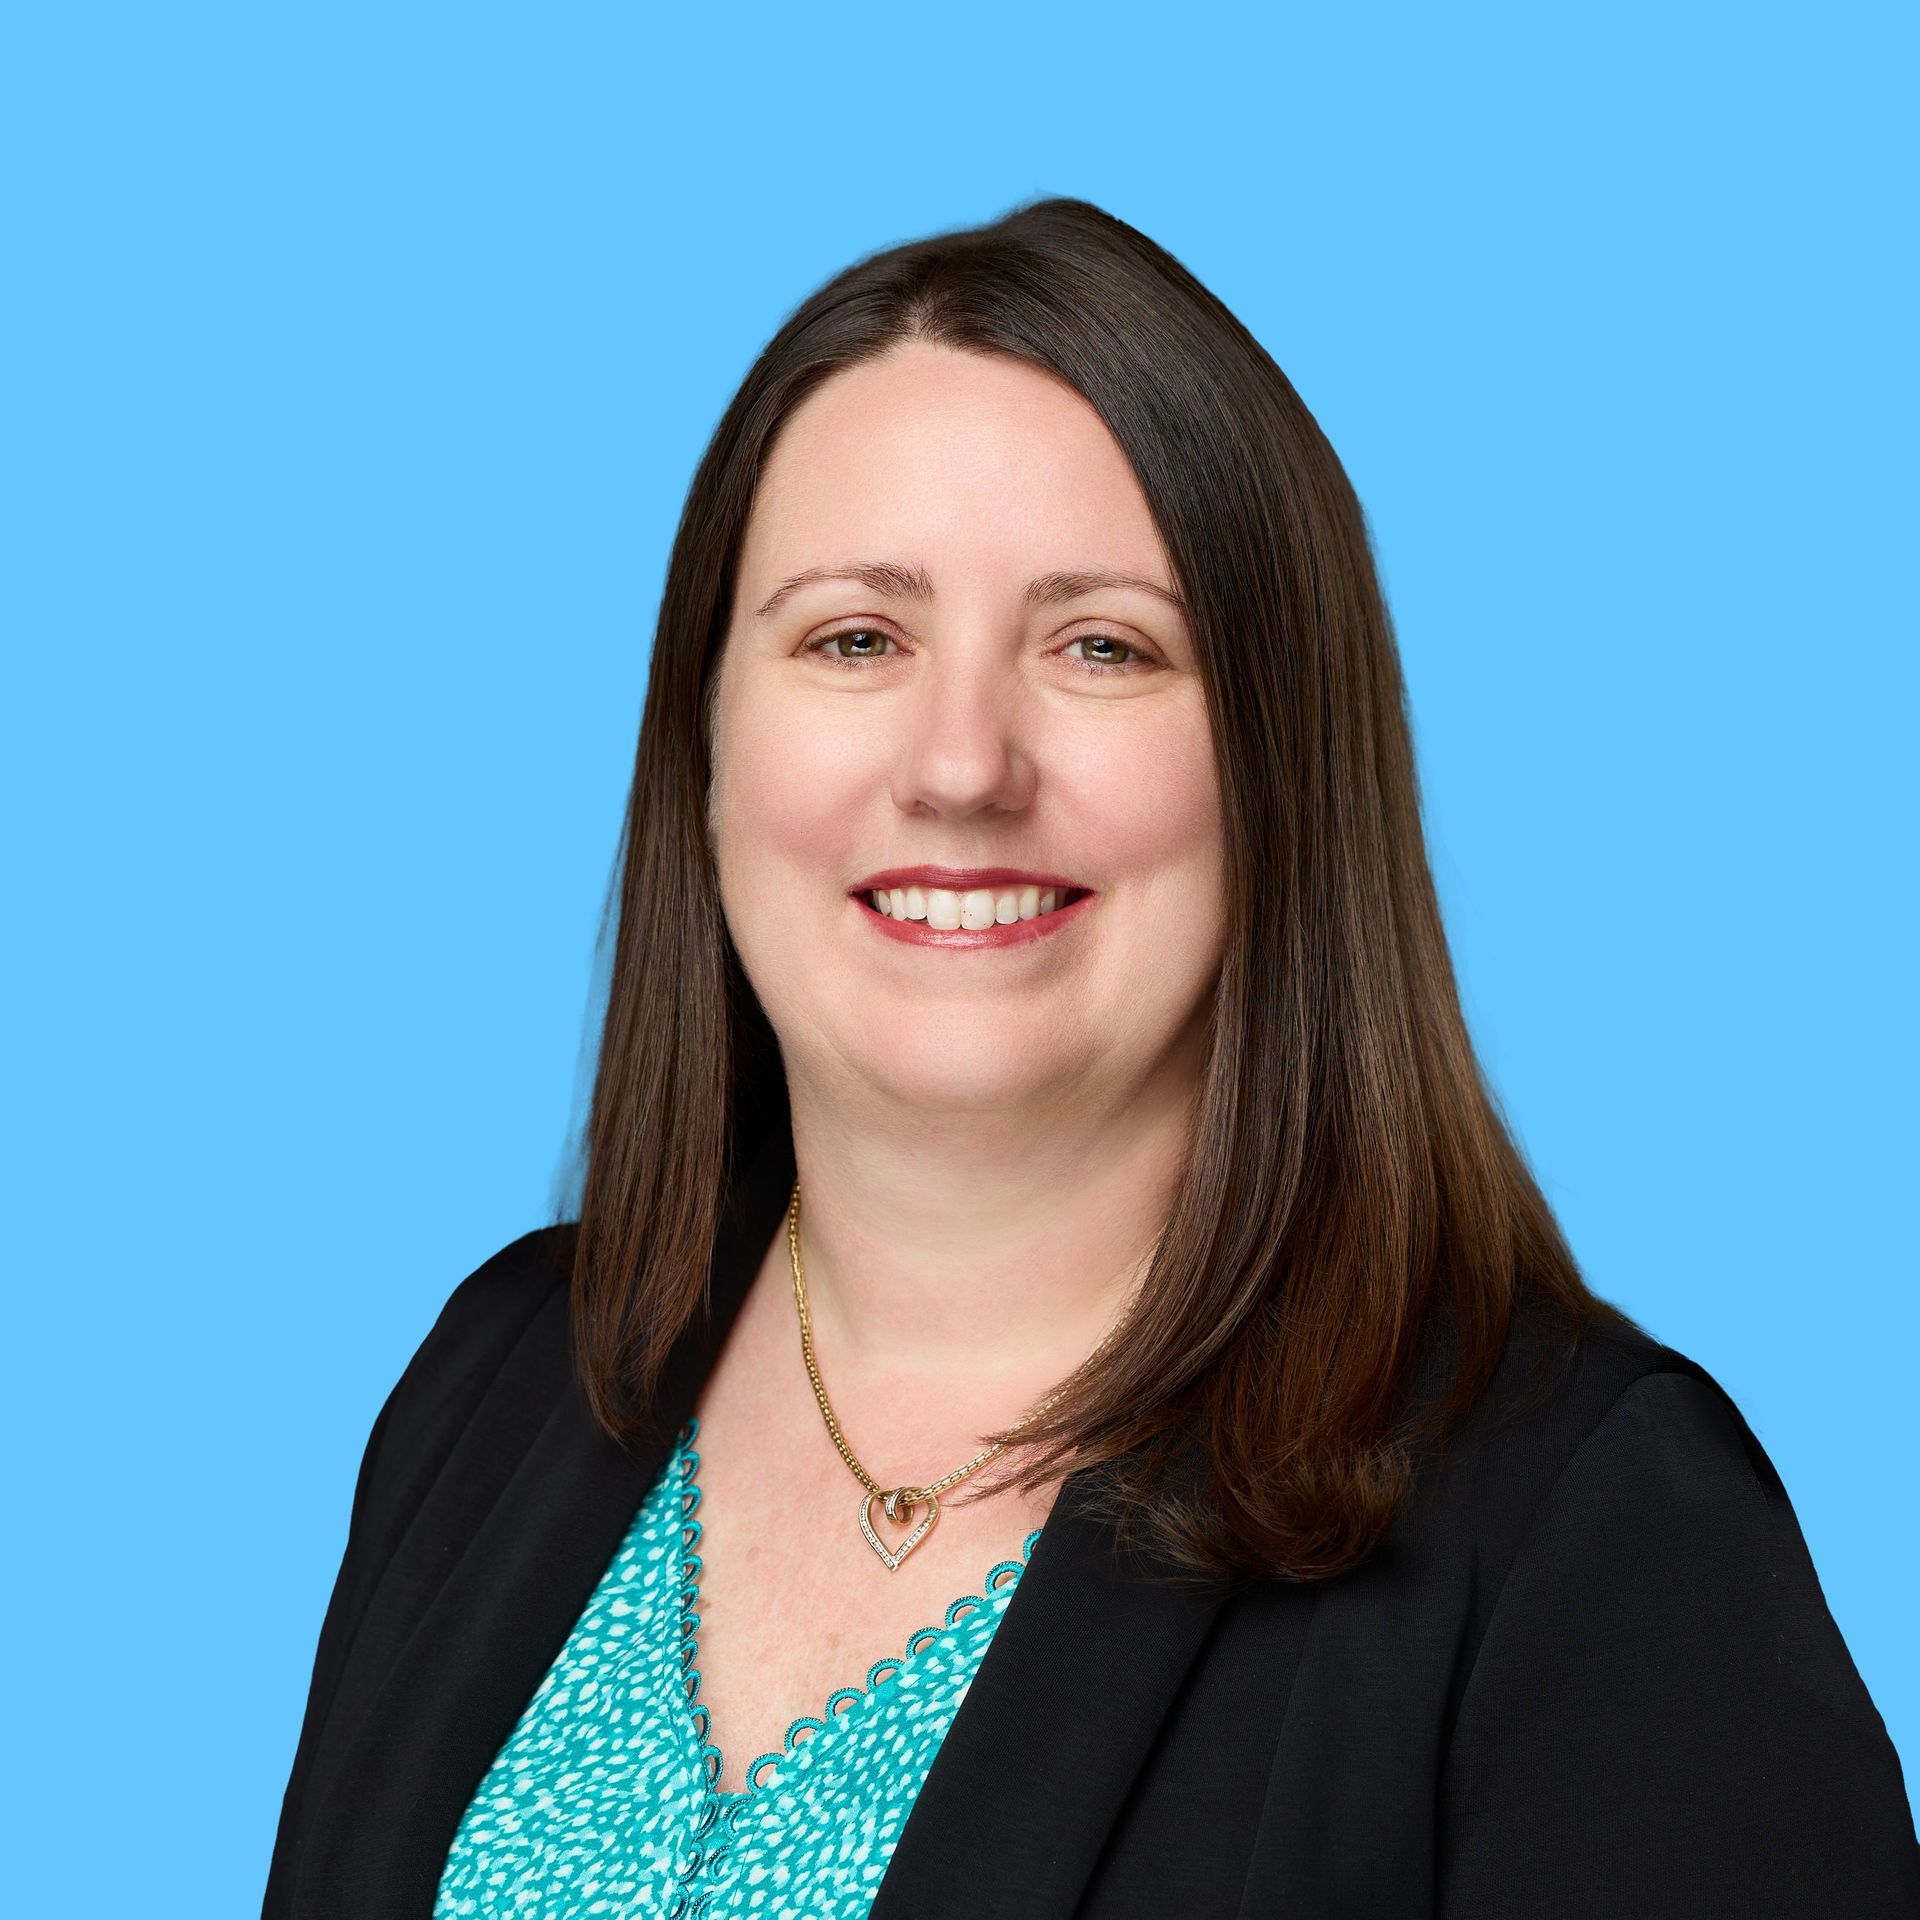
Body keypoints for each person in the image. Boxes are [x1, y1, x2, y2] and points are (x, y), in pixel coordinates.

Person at [262, 198, 1920, 1920]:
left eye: (1102, 647)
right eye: (855, 638)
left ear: (1283, 766)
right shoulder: (501, 1383)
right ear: (707, 740)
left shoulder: (1600, 1541)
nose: (962, 767)